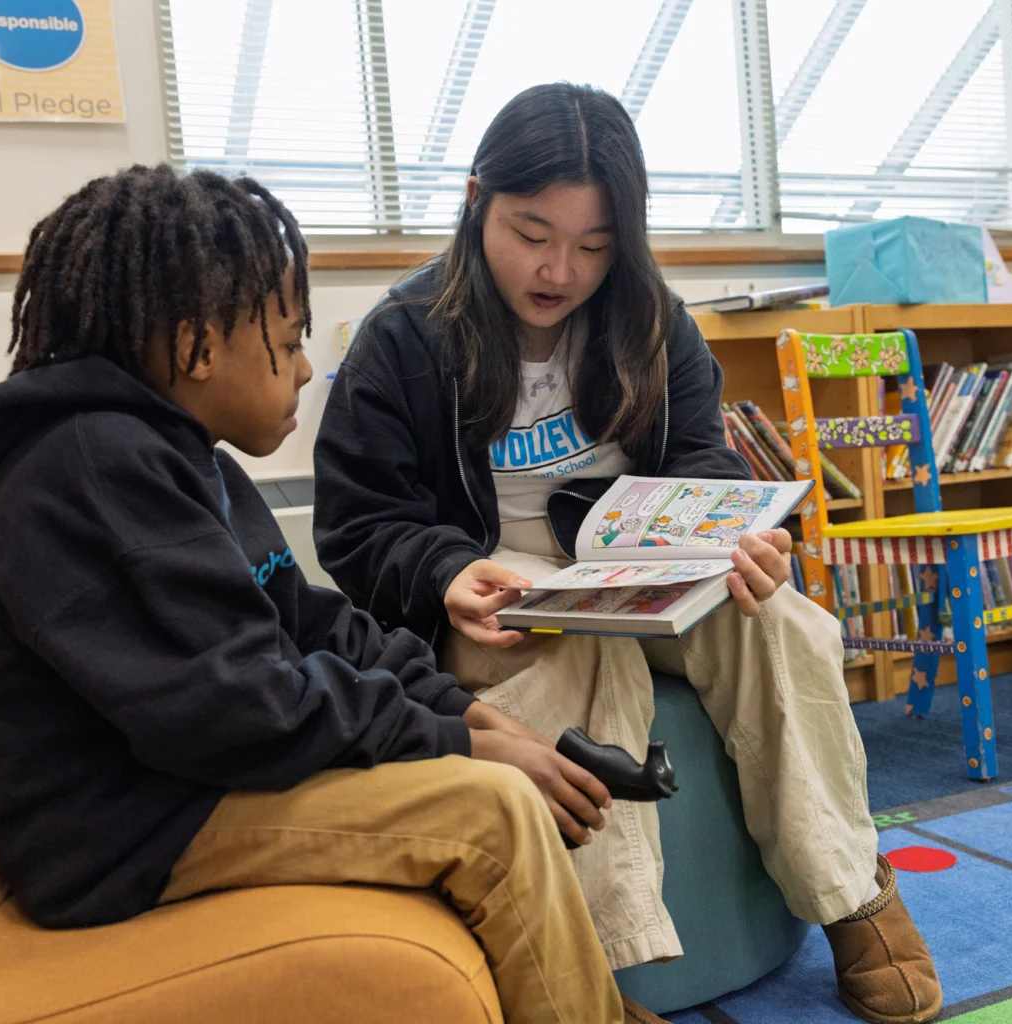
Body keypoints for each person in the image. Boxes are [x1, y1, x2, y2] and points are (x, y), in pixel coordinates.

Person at [0, 164, 624, 1024]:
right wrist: (453, 748)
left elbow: (307, 620)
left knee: (491, 765)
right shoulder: (92, 467)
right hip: (120, 836)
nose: (304, 370)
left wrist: (460, 713)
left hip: (181, 788)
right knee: (495, 813)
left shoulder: (188, 461)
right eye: (286, 344)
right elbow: (234, 708)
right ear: (197, 346)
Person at [314, 84, 942, 1024]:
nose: (560, 269)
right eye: (532, 232)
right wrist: (444, 574)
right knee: (569, 646)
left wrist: (741, 536)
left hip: (632, 564)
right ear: (479, 196)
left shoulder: (651, 321)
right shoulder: (403, 337)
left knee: (774, 621)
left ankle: (854, 894)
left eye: (595, 246)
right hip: (490, 578)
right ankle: (593, 967)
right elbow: (360, 525)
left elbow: (702, 464)